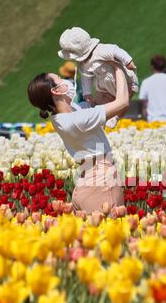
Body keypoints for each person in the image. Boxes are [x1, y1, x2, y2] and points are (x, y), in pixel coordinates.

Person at [27, 64, 129, 214]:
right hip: (101, 183)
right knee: (110, 232)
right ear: (56, 90)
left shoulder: (67, 115)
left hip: (86, 181)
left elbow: (104, 99)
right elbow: (122, 102)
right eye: (60, 78)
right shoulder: (77, 119)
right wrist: (118, 67)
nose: (65, 80)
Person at [58, 27, 138, 128]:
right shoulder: (83, 64)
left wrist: (128, 61)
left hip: (125, 81)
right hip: (104, 87)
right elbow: (85, 76)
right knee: (99, 103)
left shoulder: (101, 50)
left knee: (124, 101)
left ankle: (116, 117)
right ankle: (100, 121)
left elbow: (115, 50)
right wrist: (87, 92)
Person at [139, 55, 166, 122]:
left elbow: (143, 103)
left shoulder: (146, 82)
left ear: (151, 66)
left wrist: (144, 118)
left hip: (153, 119)